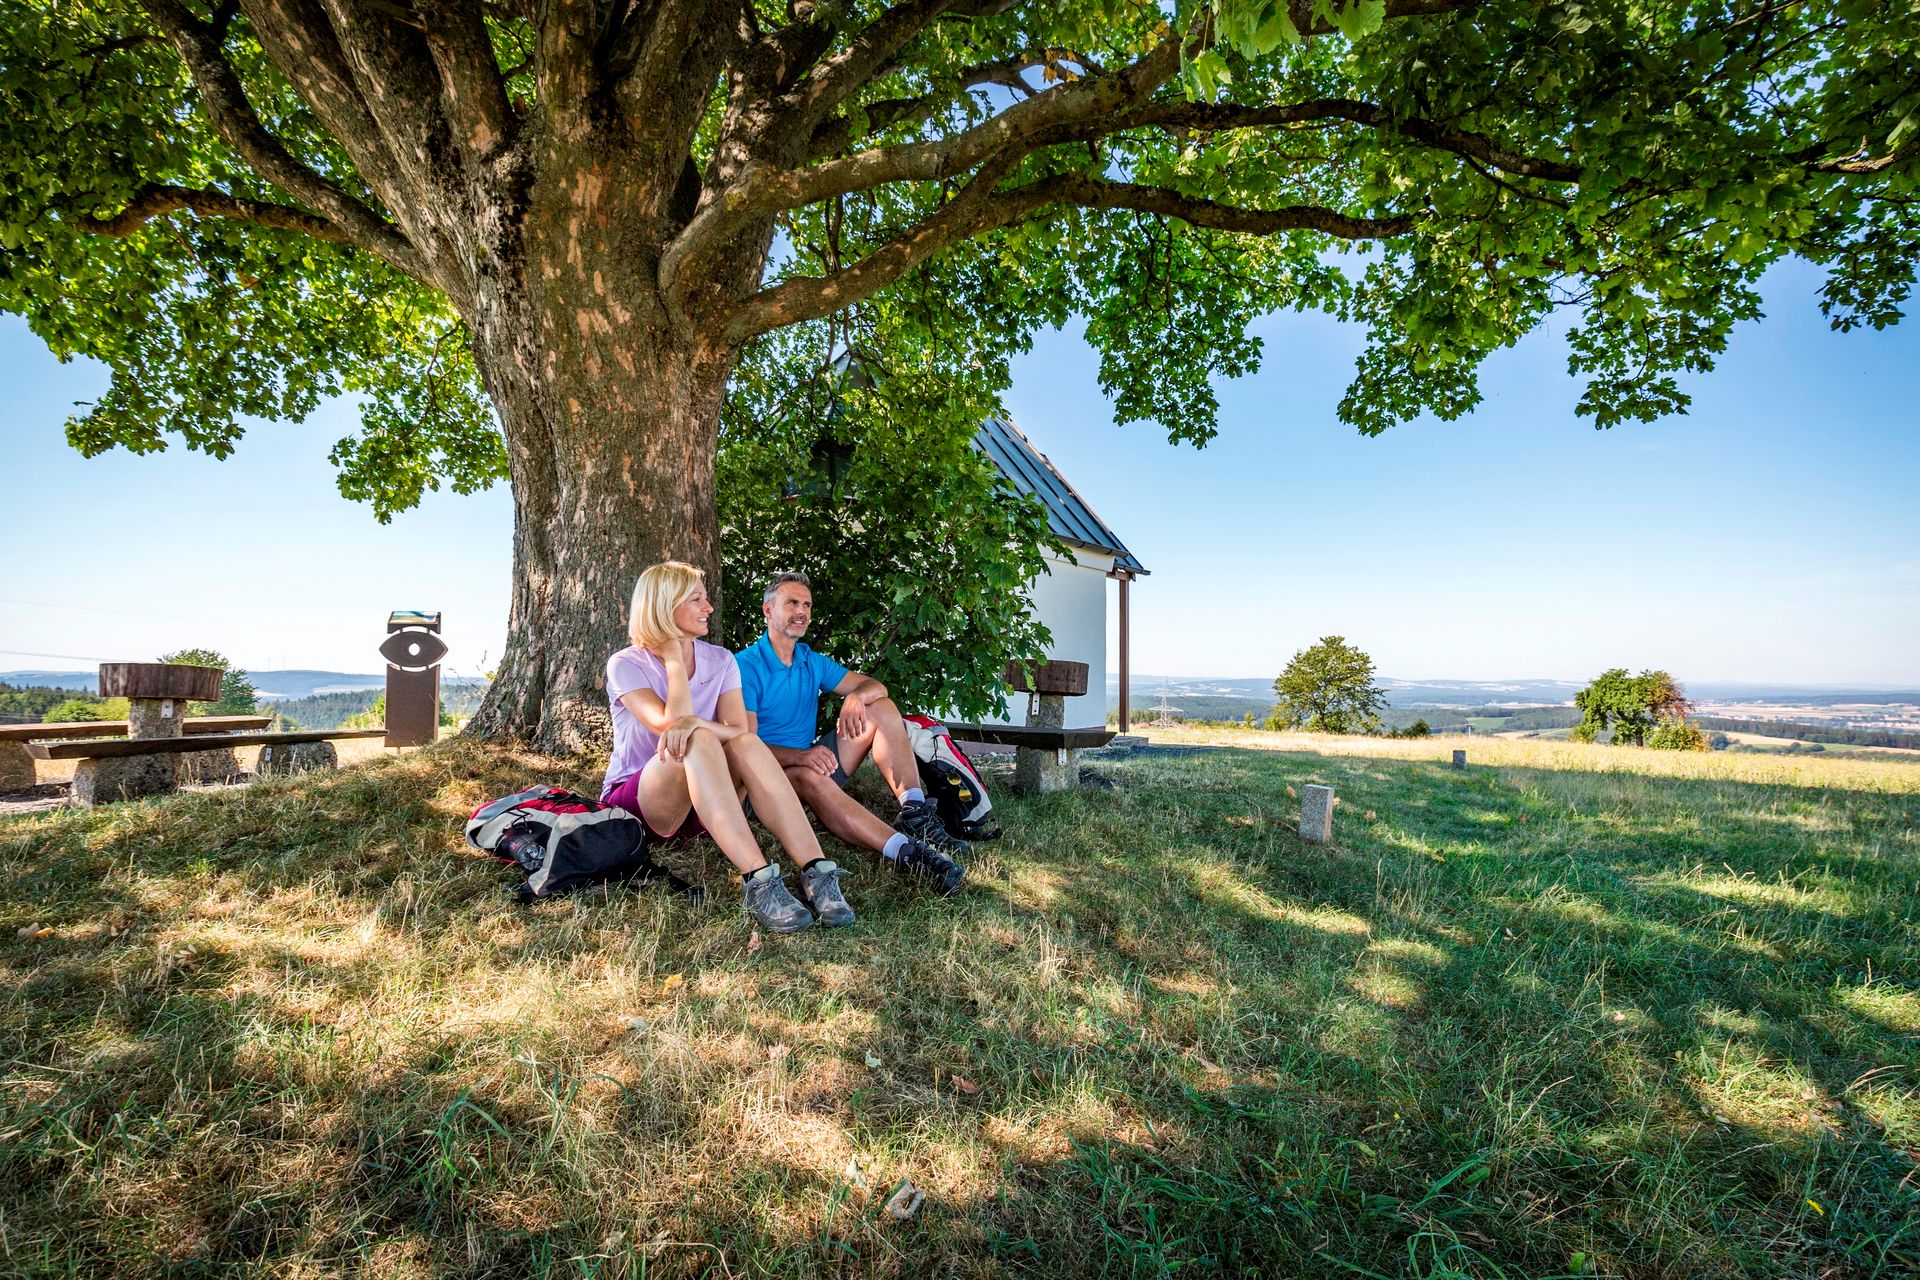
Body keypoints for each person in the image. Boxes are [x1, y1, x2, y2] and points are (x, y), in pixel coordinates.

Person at [603, 561, 854, 933]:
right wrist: (673, 658)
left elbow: (740, 730)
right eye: (697, 600)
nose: (709, 608)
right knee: (700, 738)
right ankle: (759, 880)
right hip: (642, 806)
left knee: (746, 743)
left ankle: (816, 870)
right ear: (665, 606)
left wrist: (697, 724)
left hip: (707, 805)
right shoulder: (626, 664)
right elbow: (673, 729)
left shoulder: (719, 660)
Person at [736, 571, 967, 895]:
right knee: (807, 775)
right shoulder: (744, 665)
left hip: (810, 766)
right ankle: (909, 853)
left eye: (807, 605)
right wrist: (802, 756)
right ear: (768, 610)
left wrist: (855, 697)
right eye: (792, 603)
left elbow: (876, 686)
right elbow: (744, 744)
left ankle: (914, 811)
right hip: (764, 786)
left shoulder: (809, 660)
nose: (802, 611)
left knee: (882, 707)